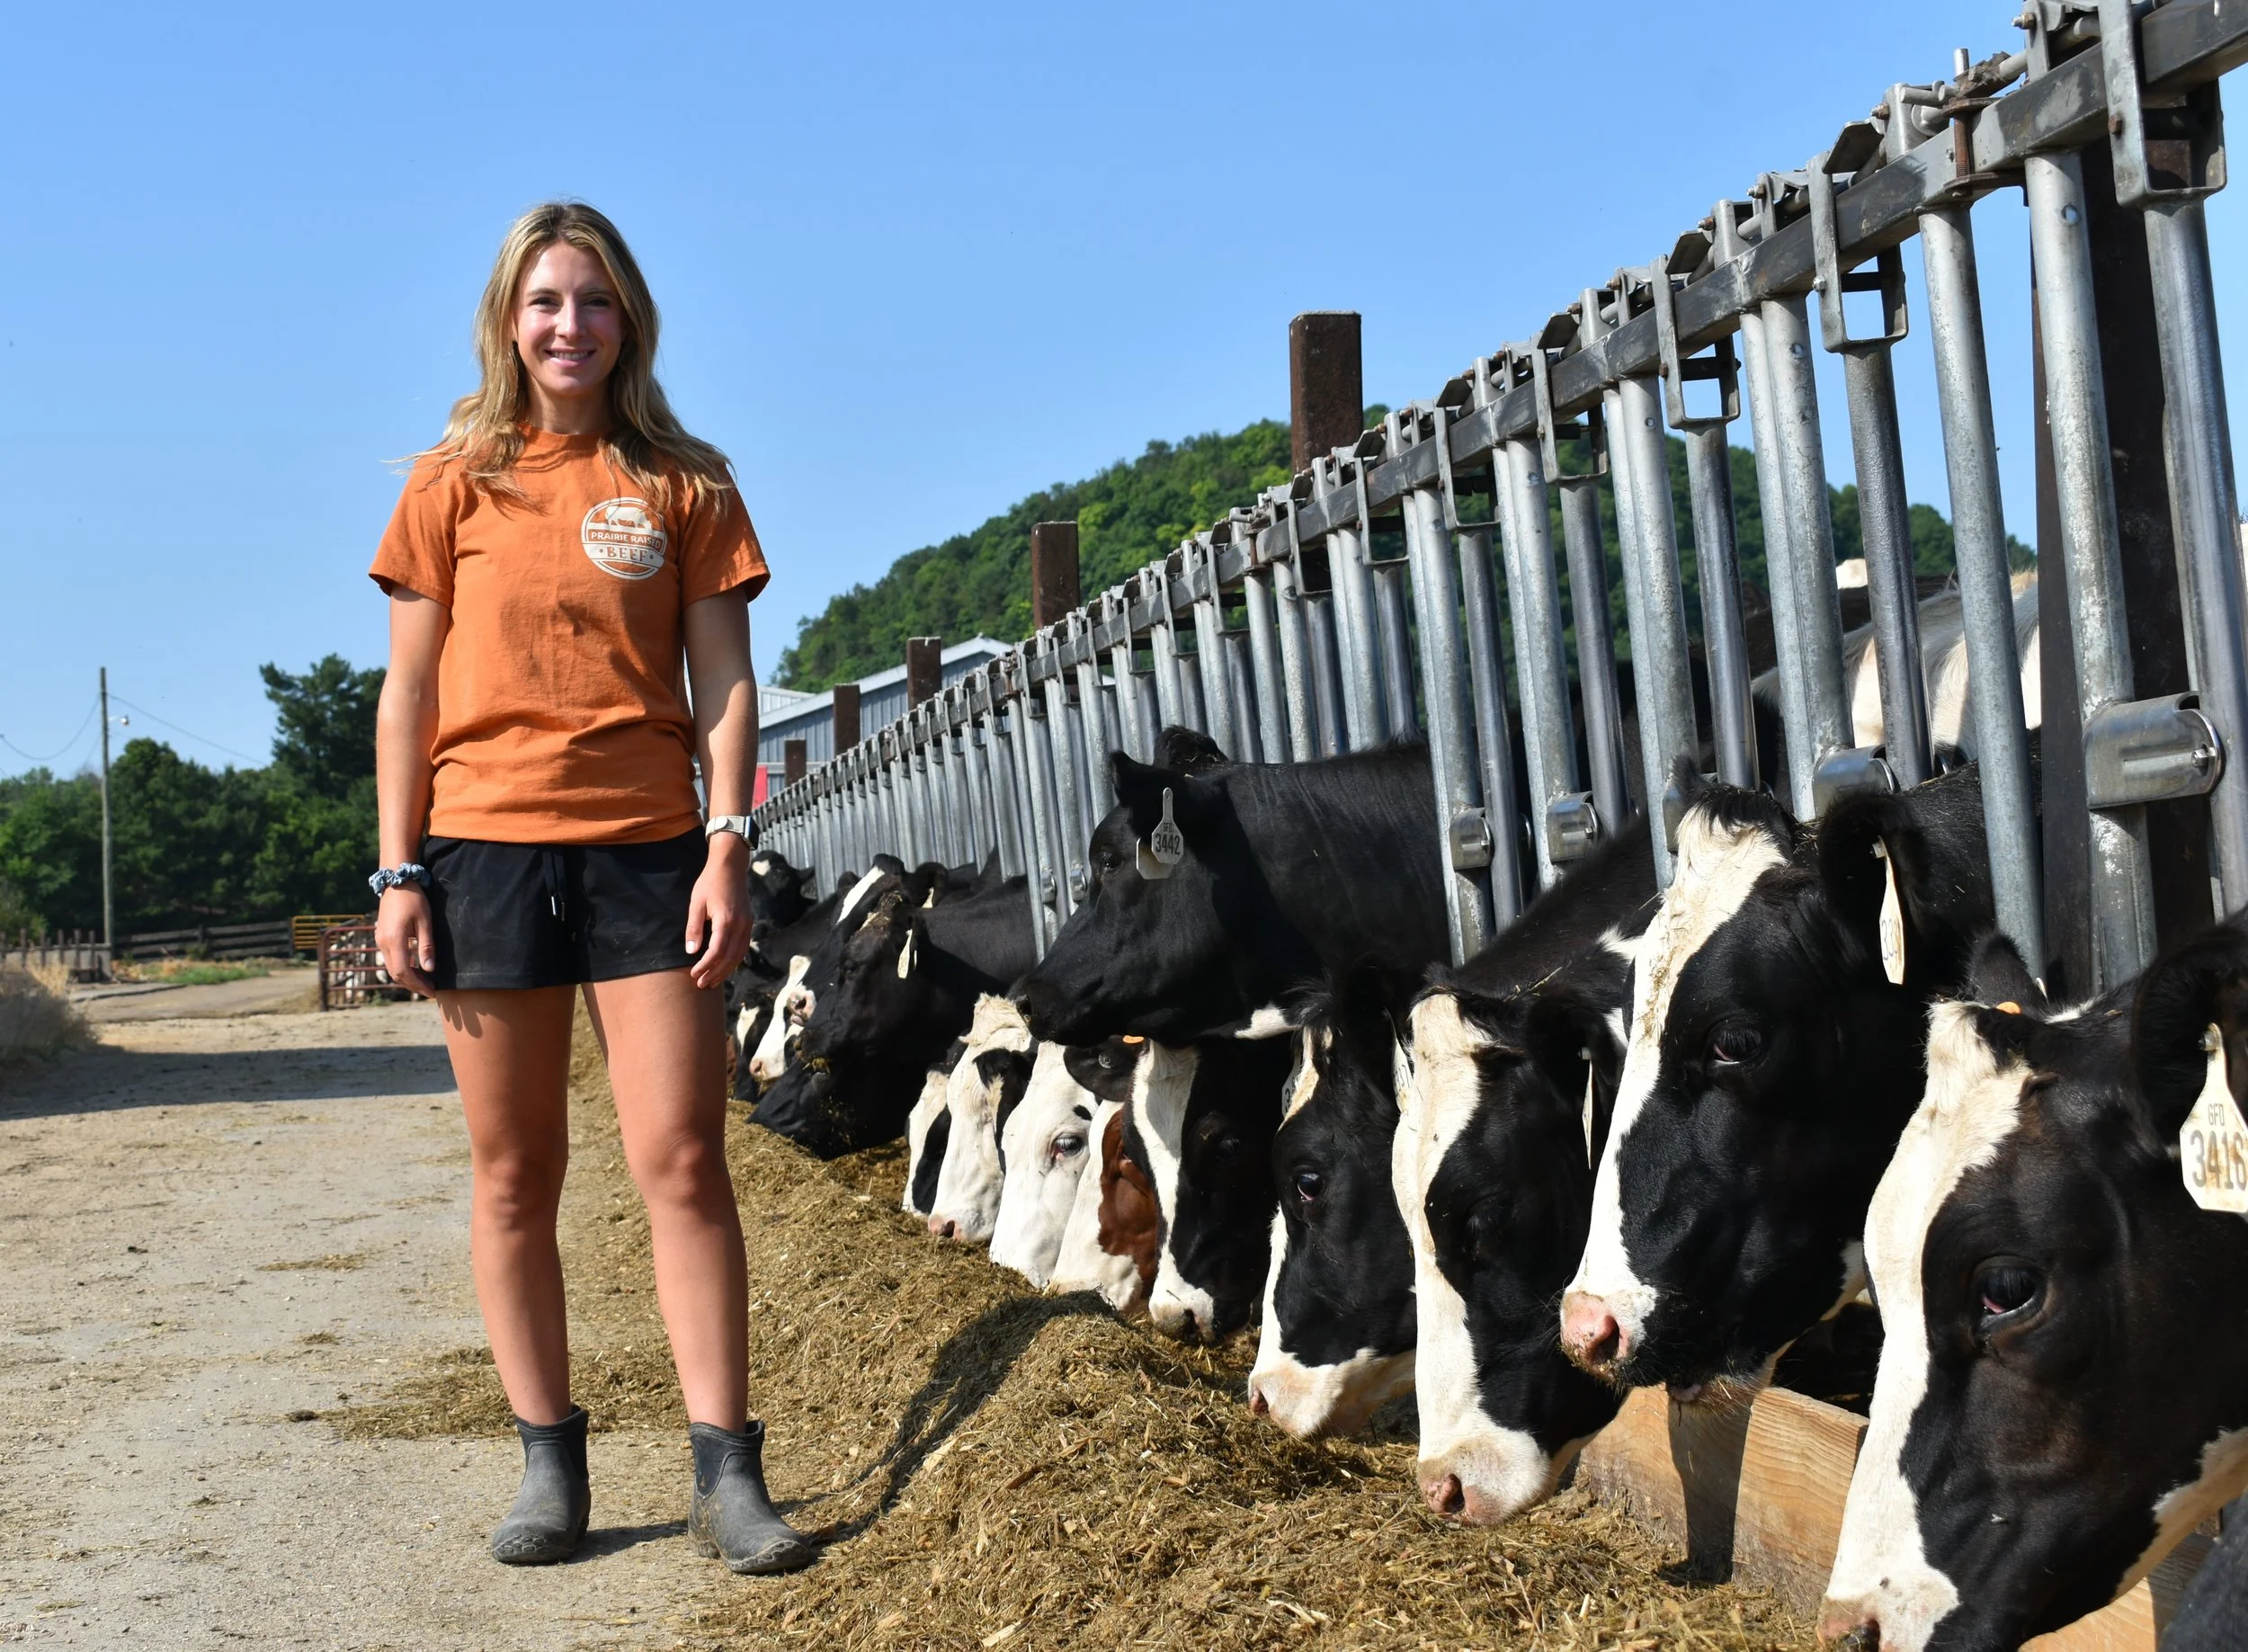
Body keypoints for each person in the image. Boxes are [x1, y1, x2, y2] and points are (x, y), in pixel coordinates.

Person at [368, 201, 808, 1575]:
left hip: (646, 853)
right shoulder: (451, 483)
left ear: (633, 321)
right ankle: (548, 1465)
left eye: (597, 301)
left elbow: (726, 682)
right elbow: (409, 692)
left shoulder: (684, 483)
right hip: (482, 848)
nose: (572, 325)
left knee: (681, 1158)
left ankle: (725, 1475)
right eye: (548, 301)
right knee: (516, 1173)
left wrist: (726, 842)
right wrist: (399, 871)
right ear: (511, 319)